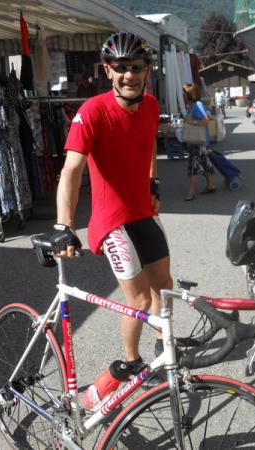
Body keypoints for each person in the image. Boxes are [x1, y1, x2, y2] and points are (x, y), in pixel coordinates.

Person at [51, 31, 173, 408]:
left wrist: (152, 180)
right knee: (139, 298)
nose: (128, 75)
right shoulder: (92, 111)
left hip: (142, 213)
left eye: (136, 67)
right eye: (120, 68)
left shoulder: (150, 106)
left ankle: (163, 349)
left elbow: (148, 144)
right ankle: (132, 361)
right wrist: (64, 226)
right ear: (107, 71)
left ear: (147, 70)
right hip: (111, 222)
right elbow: (71, 170)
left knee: (164, 286)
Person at [183, 82, 216, 201]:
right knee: (205, 163)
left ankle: (191, 191)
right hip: (199, 142)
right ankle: (211, 185)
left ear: (189, 95)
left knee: (194, 166)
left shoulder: (197, 105)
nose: (183, 96)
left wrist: (192, 122)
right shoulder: (193, 105)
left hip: (197, 142)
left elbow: (206, 120)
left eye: (184, 94)